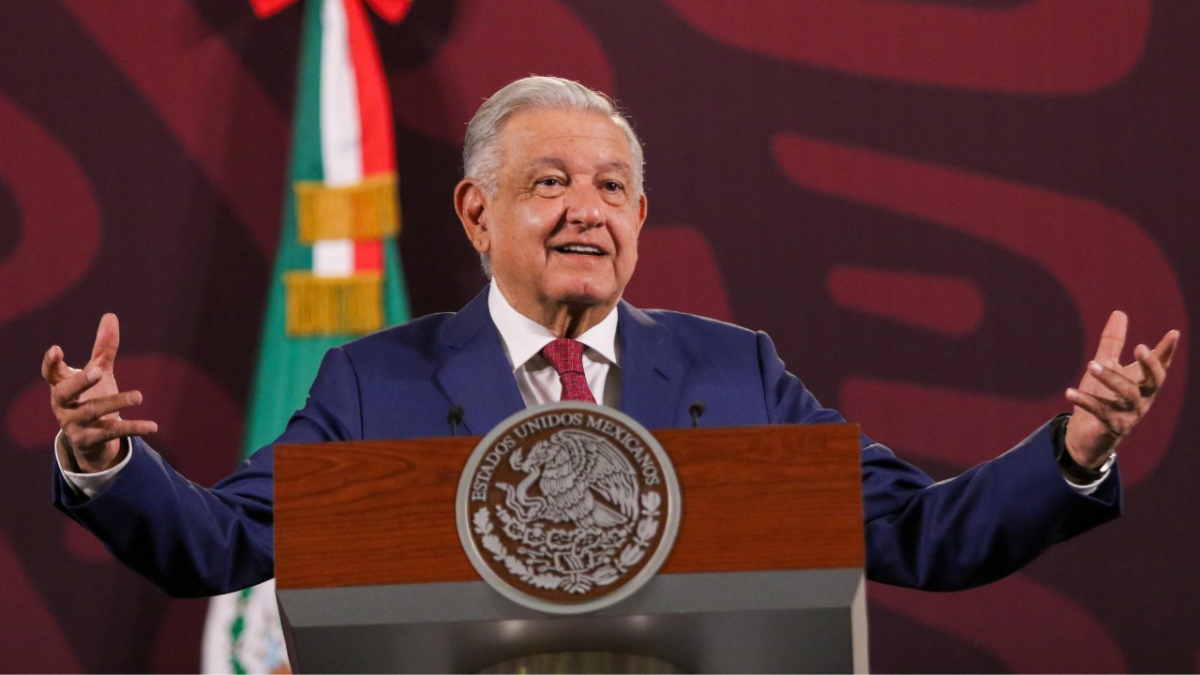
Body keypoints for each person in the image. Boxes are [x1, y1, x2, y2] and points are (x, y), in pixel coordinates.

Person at [44, 77, 1179, 598]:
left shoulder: (739, 372)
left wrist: (1073, 450)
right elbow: (219, 547)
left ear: (640, 219)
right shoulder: (370, 382)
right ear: (478, 213)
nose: (587, 208)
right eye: (549, 183)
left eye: (614, 186)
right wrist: (106, 465)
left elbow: (925, 539)